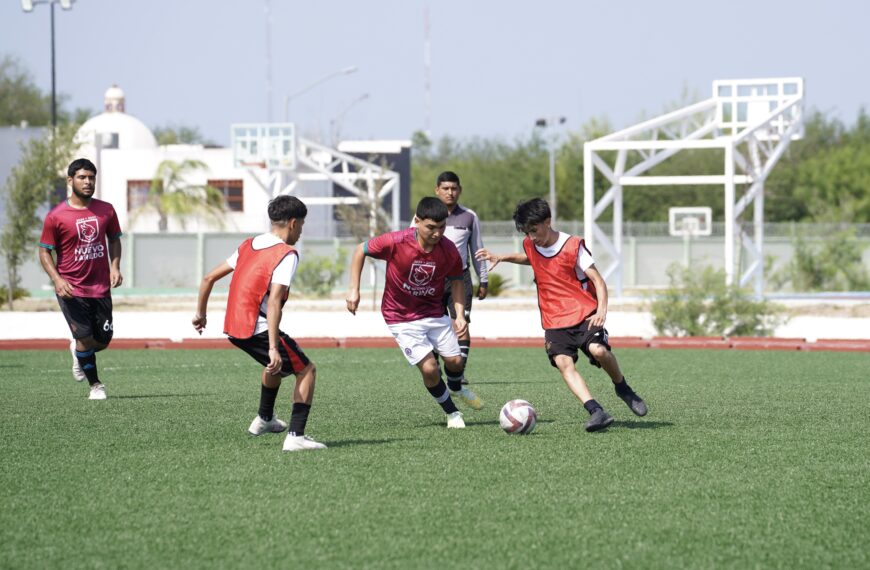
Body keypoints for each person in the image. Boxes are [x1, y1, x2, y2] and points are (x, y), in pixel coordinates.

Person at [475, 198, 647, 432]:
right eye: (527, 232)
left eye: (534, 230)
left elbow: (598, 280)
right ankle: (596, 411)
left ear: (548, 221)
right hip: (554, 319)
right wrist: (502, 257)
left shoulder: (573, 246)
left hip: (585, 312)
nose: (532, 237)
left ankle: (622, 387)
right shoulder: (530, 244)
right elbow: (532, 259)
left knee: (599, 351)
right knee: (563, 362)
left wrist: (602, 310)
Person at [192, 195, 325, 452]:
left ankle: (264, 419)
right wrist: (274, 347)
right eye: (302, 226)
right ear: (294, 223)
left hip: (233, 327)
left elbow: (209, 278)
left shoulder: (249, 244)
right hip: (257, 327)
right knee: (306, 370)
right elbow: (275, 302)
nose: (301, 232)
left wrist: (201, 314)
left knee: (273, 366)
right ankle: (296, 436)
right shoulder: (287, 254)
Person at [346, 197, 483, 429]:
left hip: (433, 312)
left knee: (456, 361)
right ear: (417, 222)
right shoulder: (396, 241)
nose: (437, 233)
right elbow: (361, 250)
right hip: (400, 316)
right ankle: (452, 412)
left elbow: (458, 279)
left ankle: (456, 387)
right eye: (431, 227)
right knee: (430, 368)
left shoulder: (448, 250)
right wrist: (353, 289)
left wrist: (459, 314)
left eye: (442, 227)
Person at [39, 158, 123, 400]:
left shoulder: (106, 209)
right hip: (70, 288)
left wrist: (114, 267)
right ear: (70, 180)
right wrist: (57, 279)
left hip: (100, 287)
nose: (88, 182)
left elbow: (115, 239)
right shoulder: (56, 216)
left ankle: (79, 352)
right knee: (84, 338)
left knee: (103, 341)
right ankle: (96, 385)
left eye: (91, 177)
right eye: (82, 177)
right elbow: (44, 250)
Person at [431, 171, 488, 383]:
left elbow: (477, 250)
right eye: (445, 188)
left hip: (460, 277)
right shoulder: (425, 215)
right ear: (437, 190)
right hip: (432, 279)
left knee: (461, 324)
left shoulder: (469, 216)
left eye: (454, 188)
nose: (450, 192)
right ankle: (435, 370)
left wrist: (483, 279)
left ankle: (458, 373)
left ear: (460, 190)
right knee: (431, 324)